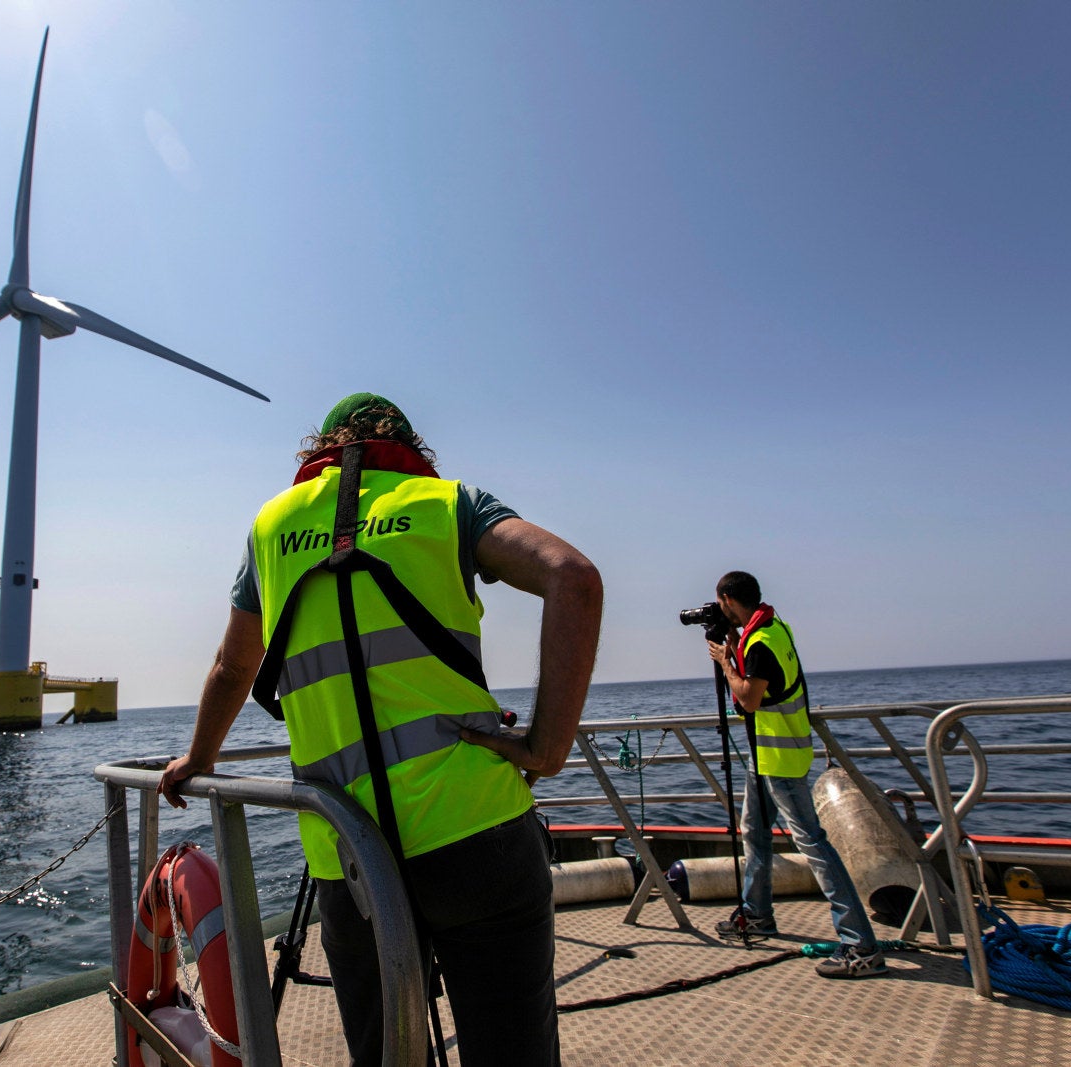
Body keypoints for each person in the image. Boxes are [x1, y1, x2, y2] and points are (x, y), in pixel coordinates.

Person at [158, 393, 603, 1065]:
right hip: (476, 832)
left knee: (384, 1054)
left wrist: (198, 759)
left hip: (348, 853)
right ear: (408, 445)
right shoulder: (449, 502)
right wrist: (547, 746)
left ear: (322, 445)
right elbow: (574, 576)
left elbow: (233, 666)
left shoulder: (271, 527)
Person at [705, 570, 886, 979]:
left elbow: (749, 699)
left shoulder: (760, 643)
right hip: (768, 755)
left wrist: (725, 663)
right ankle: (756, 914)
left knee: (814, 845)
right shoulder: (773, 629)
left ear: (728, 600)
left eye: (719, 604)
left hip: (780, 760)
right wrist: (735, 649)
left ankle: (861, 945)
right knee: (754, 833)